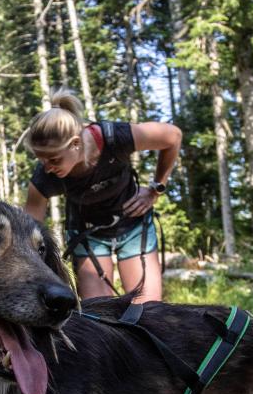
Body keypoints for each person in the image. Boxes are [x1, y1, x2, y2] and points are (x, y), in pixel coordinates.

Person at [24, 88, 181, 301]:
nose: (48, 168)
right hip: (88, 235)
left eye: (54, 159)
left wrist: (155, 189)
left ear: (75, 144)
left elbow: (172, 136)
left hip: (134, 226)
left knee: (147, 312)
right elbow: (28, 233)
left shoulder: (114, 138)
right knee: (100, 315)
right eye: (41, 160)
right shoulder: (45, 177)